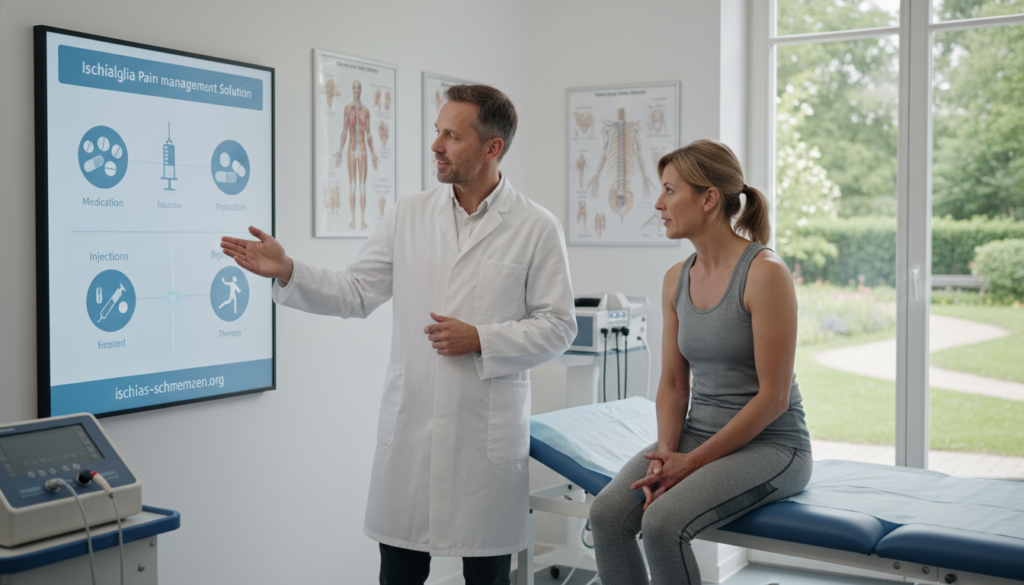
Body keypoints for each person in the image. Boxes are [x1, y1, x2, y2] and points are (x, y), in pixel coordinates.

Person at [220, 85, 576, 585]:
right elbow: (356, 291)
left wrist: (481, 339)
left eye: (452, 136)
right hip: (413, 430)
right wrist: (289, 270)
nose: (436, 146)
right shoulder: (408, 214)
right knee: (399, 572)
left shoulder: (536, 227)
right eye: (437, 132)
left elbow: (558, 326)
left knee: (488, 574)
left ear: (492, 147)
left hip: (484, 440)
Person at [589, 139, 812, 585]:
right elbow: (674, 384)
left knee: (662, 523)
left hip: (772, 446)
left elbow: (774, 398)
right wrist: (665, 454)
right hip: (697, 434)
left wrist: (690, 463)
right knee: (607, 514)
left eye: (670, 191)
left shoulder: (765, 274)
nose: (658, 204)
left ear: (709, 199)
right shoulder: (676, 278)